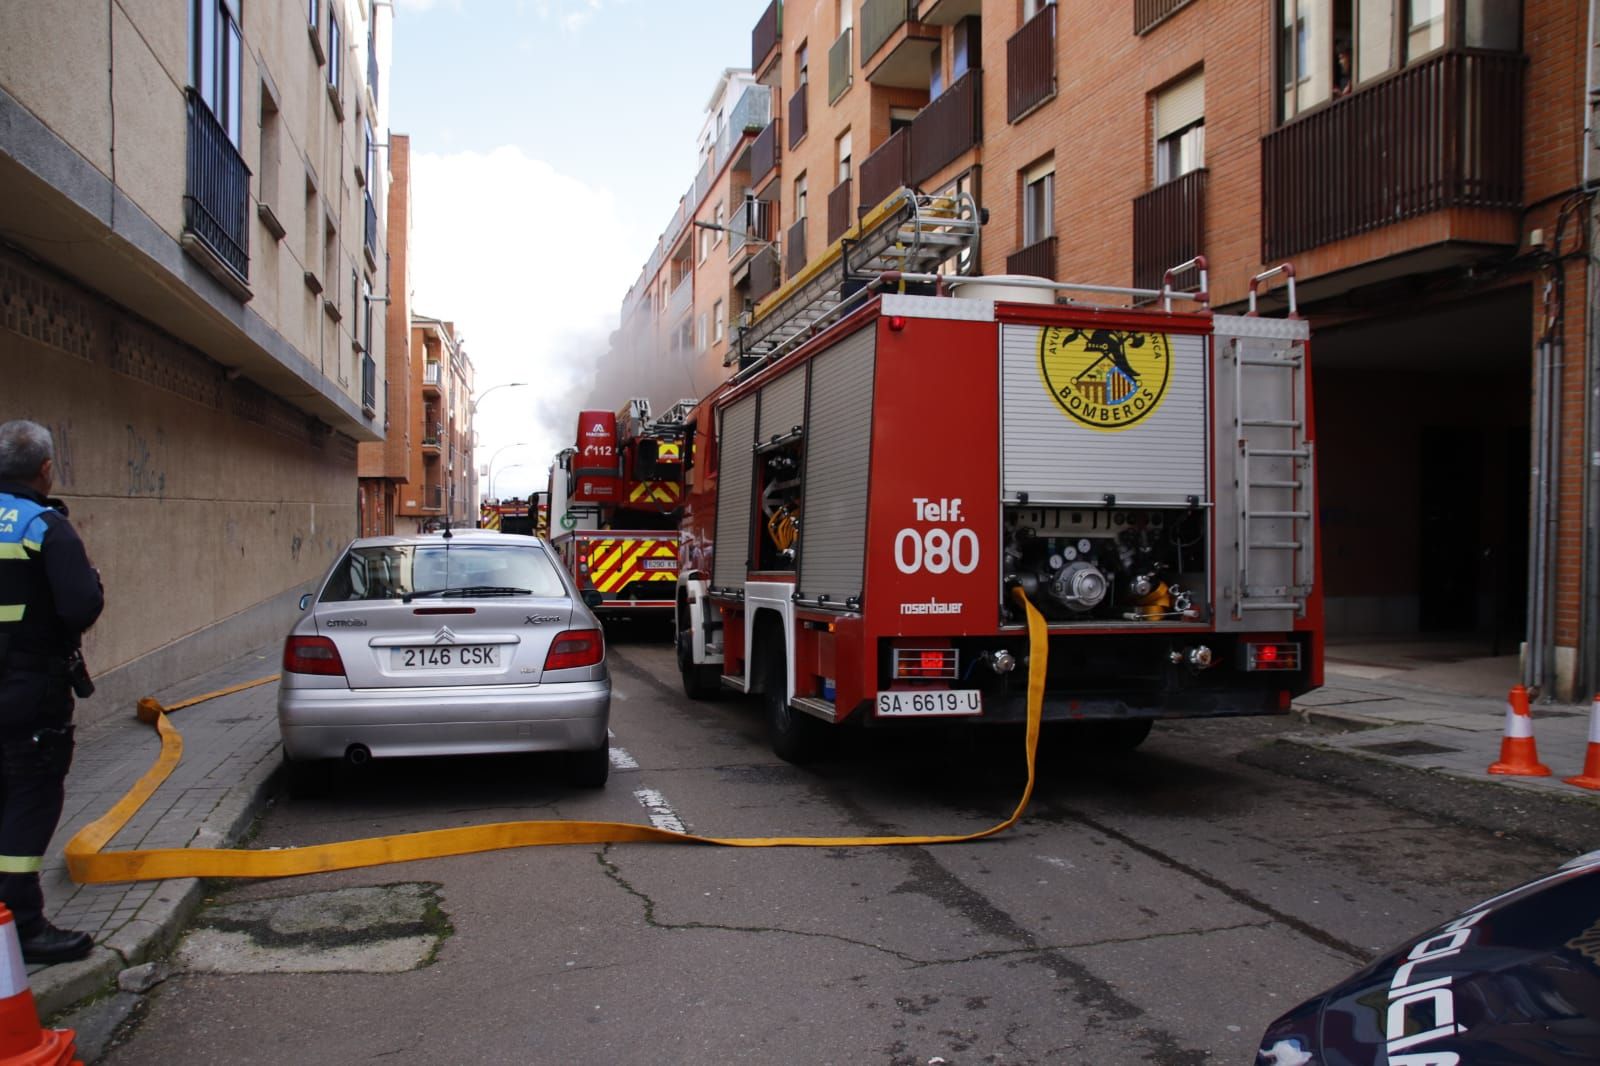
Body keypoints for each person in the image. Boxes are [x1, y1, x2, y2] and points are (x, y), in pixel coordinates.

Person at [0, 420, 103, 964]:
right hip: (26, 693)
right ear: (44, 469)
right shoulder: (42, 526)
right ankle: (22, 926)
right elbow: (80, 607)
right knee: (30, 798)